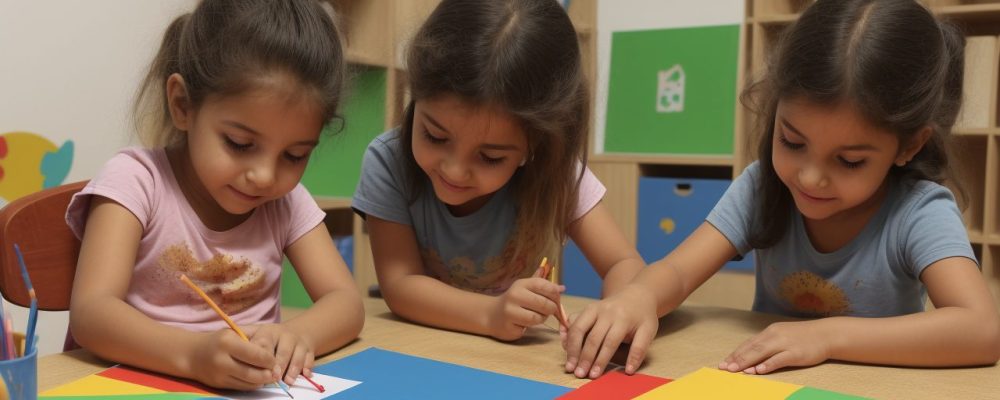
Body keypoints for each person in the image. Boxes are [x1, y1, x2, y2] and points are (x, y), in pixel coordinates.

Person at [563, 0, 1000, 379]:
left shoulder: (919, 211)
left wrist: (828, 337)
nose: (809, 178)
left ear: (909, 145)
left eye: (849, 161)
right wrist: (639, 296)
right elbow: (677, 272)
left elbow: (981, 331)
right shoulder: (761, 187)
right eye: (792, 141)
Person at [67, 0, 363, 390]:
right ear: (183, 104)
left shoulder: (286, 203)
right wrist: (193, 356)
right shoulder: (135, 182)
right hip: (137, 384)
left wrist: (300, 335)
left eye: (295, 155)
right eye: (240, 143)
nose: (264, 177)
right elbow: (92, 314)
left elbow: (346, 302)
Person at [352, 0, 644, 342]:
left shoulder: (554, 171)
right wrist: (491, 315)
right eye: (434, 135)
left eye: (490, 157)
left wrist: (619, 309)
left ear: (535, 144)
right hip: (423, 346)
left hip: (514, 361)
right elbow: (400, 285)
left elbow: (624, 264)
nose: (456, 171)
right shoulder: (388, 163)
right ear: (415, 95)